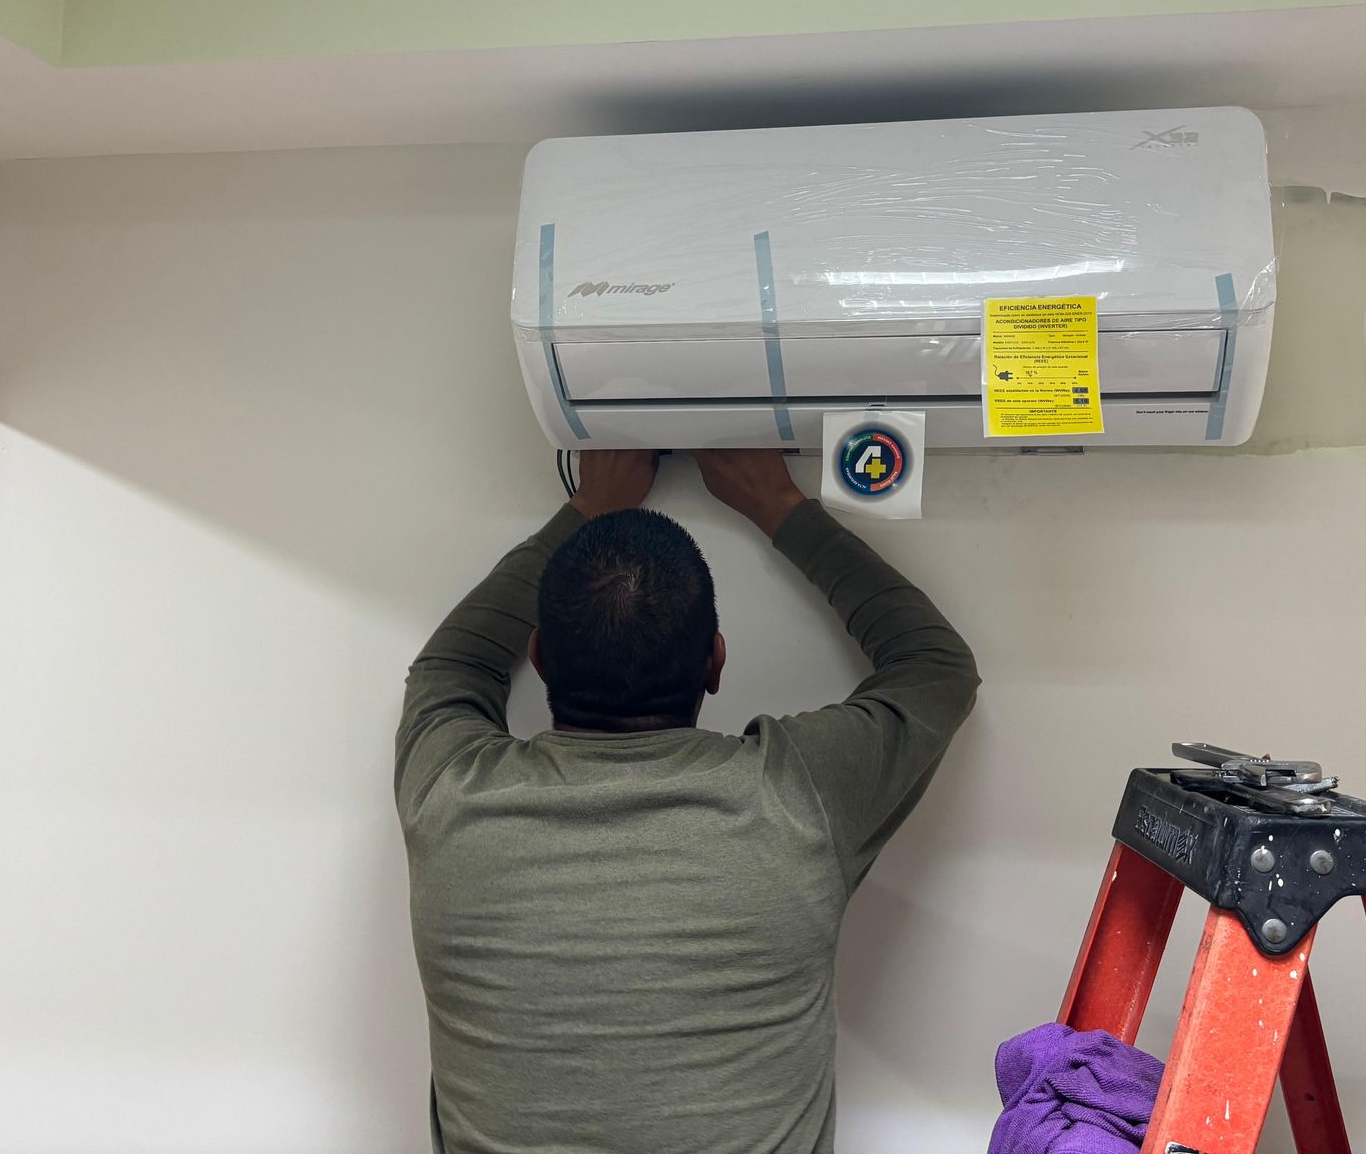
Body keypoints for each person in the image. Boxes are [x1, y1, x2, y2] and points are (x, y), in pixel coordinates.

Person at [394, 448, 978, 1154]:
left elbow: (454, 662)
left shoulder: (449, 797)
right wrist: (777, 505)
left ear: (540, 658)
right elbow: (935, 667)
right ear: (716, 662)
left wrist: (588, 505)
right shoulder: (797, 794)